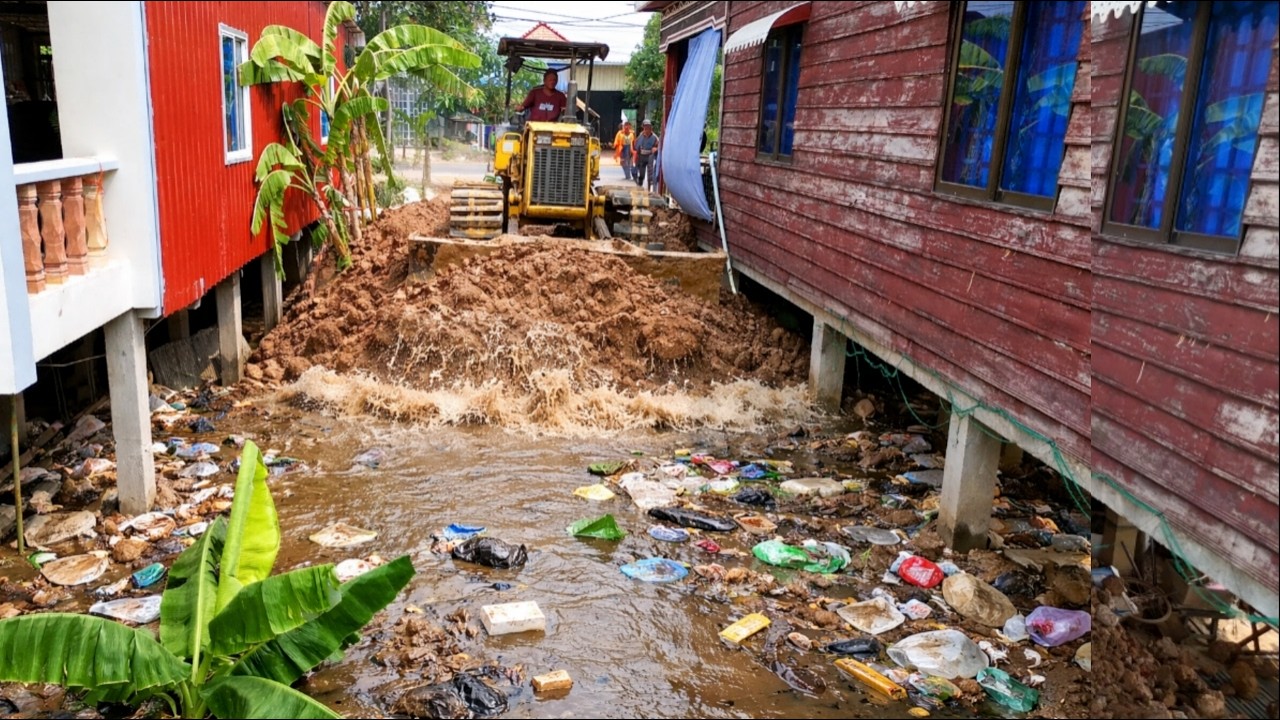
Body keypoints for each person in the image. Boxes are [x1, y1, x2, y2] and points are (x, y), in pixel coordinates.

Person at [632, 118, 659, 190]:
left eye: (648, 127)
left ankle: (650, 187)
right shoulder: (641, 136)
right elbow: (636, 145)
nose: (646, 129)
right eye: (645, 127)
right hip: (642, 156)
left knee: (650, 173)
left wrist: (655, 149)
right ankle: (639, 185)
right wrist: (636, 155)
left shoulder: (654, 137)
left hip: (650, 156)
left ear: (651, 128)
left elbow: (658, 146)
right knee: (641, 172)